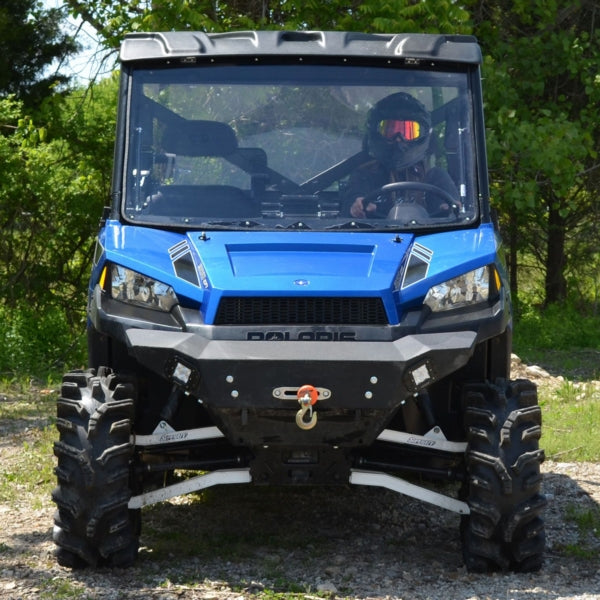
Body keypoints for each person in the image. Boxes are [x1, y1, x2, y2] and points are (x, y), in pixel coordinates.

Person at [345, 92, 459, 219]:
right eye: (389, 130)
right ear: (375, 133)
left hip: (427, 237)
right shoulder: (364, 175)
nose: (399, 139)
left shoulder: (435, 177)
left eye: (409, 131)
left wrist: (449, 210)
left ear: (423, 135)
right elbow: (353, 200)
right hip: (375, 237)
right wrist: (356, 206)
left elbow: (454, 211)